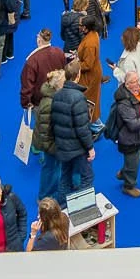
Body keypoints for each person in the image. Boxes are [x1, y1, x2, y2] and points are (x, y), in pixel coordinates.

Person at [49, 56, 100, 196]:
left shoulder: (56, 96)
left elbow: (52, 122)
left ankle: (63, 207)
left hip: (62, 146)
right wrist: (90, 148)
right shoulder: (78, 98)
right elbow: (82, 128)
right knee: (87, 178)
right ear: (78, 75)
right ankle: (82, 209)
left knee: (65, 178)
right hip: (77, 148)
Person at [104, 69, 140, 197]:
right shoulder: (124, 103)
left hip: (138, 136)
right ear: (127, 84)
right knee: (133, 161)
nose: (137, 84)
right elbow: (133, 124)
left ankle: (124, 173)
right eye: (134, 82)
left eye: (137, 80)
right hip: (129, 138)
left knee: (138, 155)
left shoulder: (135, 92)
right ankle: (128, 186)